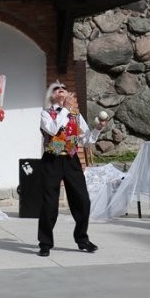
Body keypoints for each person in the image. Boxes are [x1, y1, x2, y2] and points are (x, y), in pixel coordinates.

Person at [37, 81, 107, 256]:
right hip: (52, 159)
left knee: (83, 201)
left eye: (64, 88)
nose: (61, 90)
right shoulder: (46, 113)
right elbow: (53, 130)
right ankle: (45, 243)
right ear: (51, 95)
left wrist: (97, 129)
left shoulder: (75, 115)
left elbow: (87, 140)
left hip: (71, 159)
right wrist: (66, 110)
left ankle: (82, 239)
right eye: (56, 89)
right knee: (49, 204)